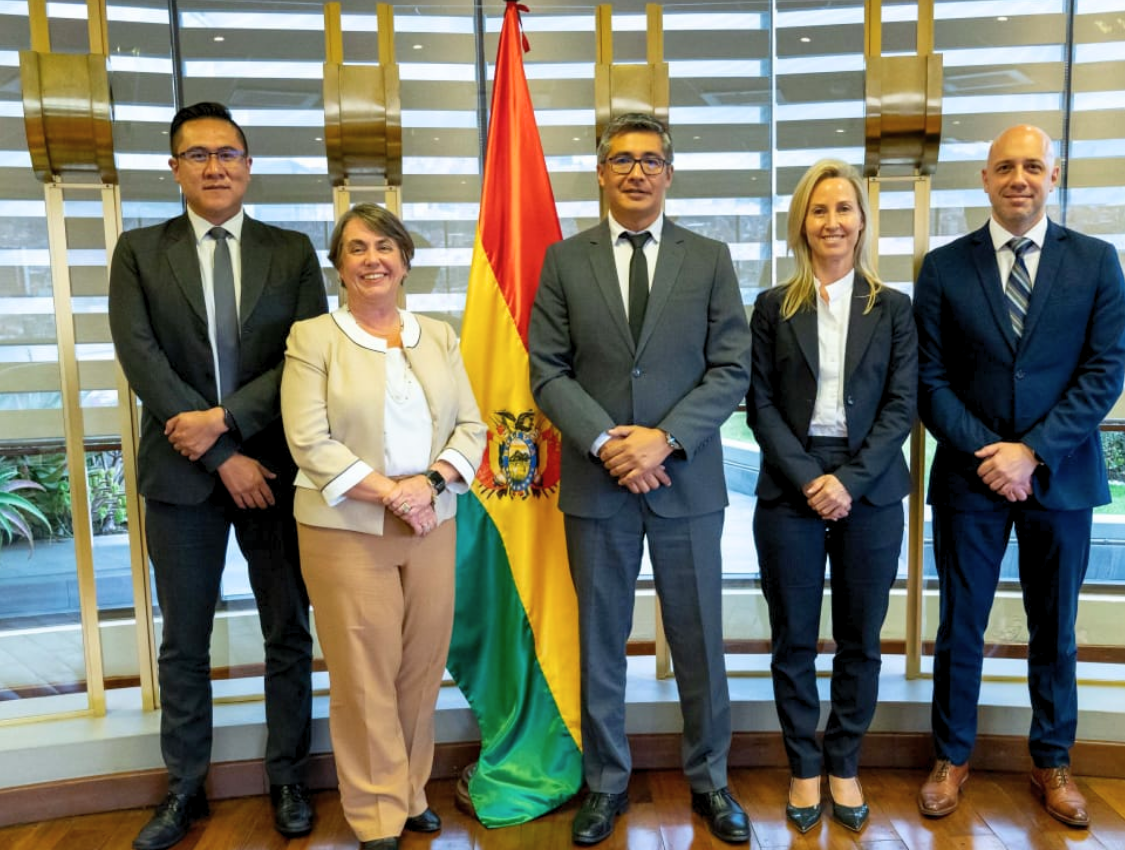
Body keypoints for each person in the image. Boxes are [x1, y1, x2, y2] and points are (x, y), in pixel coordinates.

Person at [528, 112, 752, 846]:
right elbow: (547, 371)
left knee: (700, 639)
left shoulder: (710, 258)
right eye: (622, 160)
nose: (636, 172)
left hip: (686, 481)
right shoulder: (565, 261)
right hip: (599, 486)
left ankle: (711, 781)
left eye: (651, 160)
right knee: (600, 642)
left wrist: (665, 440)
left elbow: (732, 369)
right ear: (600, 173)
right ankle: (604, 784)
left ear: (669, 173)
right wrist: (606, 443)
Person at [108, 102, 326, 850]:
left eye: (227, 153)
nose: (214, 167)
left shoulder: (291, 252)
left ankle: (289, 777)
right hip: (182, 477)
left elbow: (304, 359)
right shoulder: (139, 251)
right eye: (197, 155)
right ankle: (183, 788)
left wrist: (228, 421)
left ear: (249, 165)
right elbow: (141, 358)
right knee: (184, 641)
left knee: (287, 630)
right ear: (174, 169)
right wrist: (218, 453)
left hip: (274, 471)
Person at [913, 124, 1125, 827]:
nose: (1019, 179)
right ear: (985, 178)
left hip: (1061, 477)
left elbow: (1104, 373)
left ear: (1053, 176)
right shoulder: (943, 268)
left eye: (1032, 166)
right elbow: (930, 380)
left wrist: (1032, 452)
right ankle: (951, 757)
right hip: (969, 478)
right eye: (1005, 167)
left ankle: (1053, 760)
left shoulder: (1096, 262)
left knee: (1055, 627)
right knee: (960, 624)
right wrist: (994, 454)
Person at [281, 204, 485, 850]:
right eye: (357, 248)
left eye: (385, 246)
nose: (373, 259)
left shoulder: (439, 335)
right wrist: (394, 493)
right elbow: (308, 441)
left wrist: (429, 486)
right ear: (339, 267)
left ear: (404, 261)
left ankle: (410, 791)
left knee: (421, 666)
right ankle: (375, 814)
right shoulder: (313, 338)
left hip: (432, 520)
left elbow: (471, 428)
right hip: (346, 527)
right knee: (365, 674)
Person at [746, 159, 916, 834]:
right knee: (793, 639)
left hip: (868, 484)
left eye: (844, 208)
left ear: (862, 222)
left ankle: (843, 762)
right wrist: (808, 477)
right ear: (801, 223)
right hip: (791, 483)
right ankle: (804, 766)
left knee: (860, 639)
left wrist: (850, 480)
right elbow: (759, 404)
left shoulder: (893, 308)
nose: (832, 221)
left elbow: (902, 406)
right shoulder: (772, 307)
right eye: (819, 210)